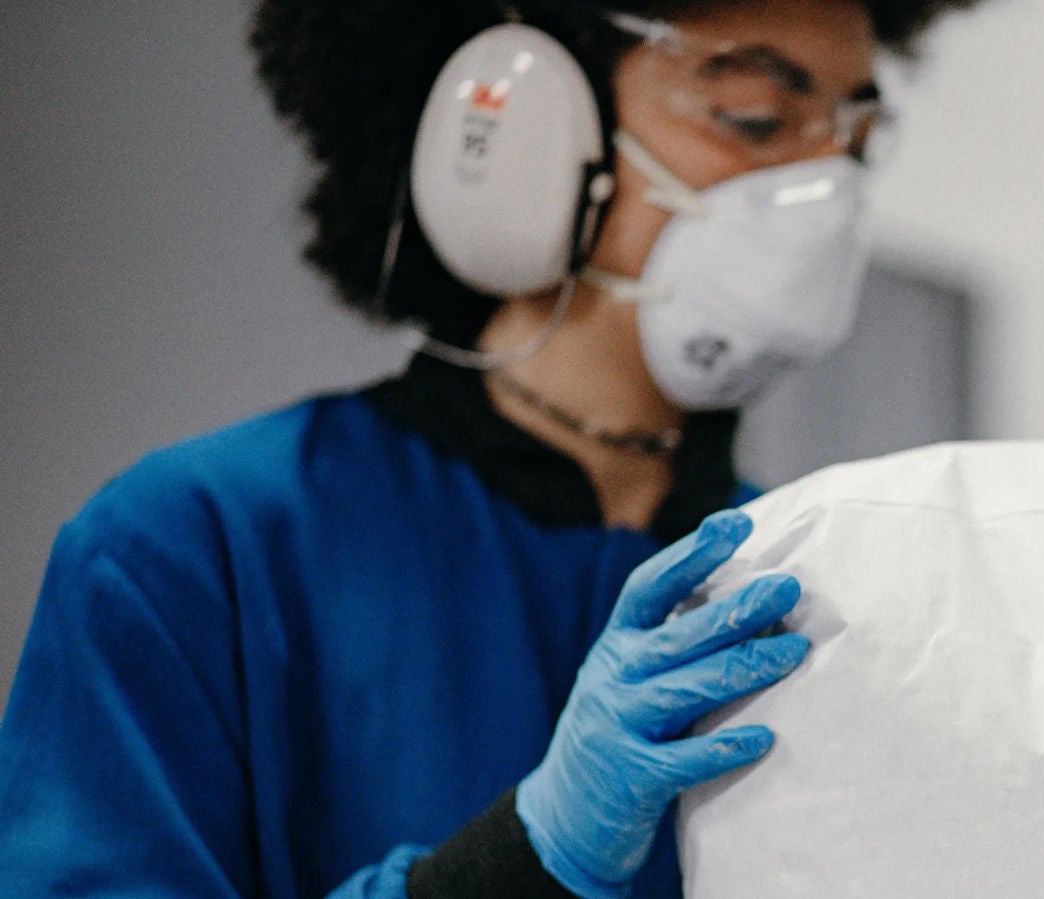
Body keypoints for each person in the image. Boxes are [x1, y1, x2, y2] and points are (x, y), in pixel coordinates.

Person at [0, 0, 978, 895]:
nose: (825, 188)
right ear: (518, 134)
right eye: (757, 118)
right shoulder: (193, 548)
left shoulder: (812, 586)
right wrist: (516, 863)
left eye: (857, 138)